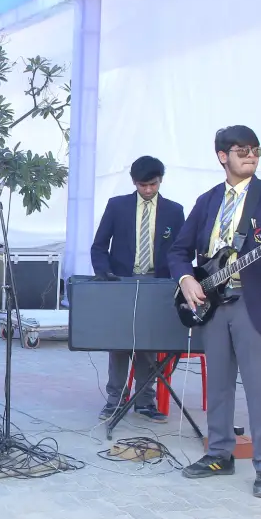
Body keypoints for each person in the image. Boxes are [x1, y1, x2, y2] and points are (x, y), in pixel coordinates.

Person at [169, 126, 261, 499]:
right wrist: (186, 279)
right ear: (222, 156)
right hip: (213, 304)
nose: (250, 155)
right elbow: (178, 250)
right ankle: (219, 454)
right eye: (241, 149)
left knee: (260, 391)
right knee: (218, 385)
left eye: (255, 149)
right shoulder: (207, 200)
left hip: (254, 303)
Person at [90, 156, 186, 422]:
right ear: (134, 182)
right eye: (143, 185)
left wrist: (178, 280)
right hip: (122, 282)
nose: (148, 190)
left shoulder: (174, 211)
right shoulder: (117, 206)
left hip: (157, 283)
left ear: (160, 180)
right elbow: (99, 246)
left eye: (153, 184)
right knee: (120, 343)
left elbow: (181, 250)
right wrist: (105, 274)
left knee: (149, 344)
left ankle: (144, 401)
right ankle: (115, 399)